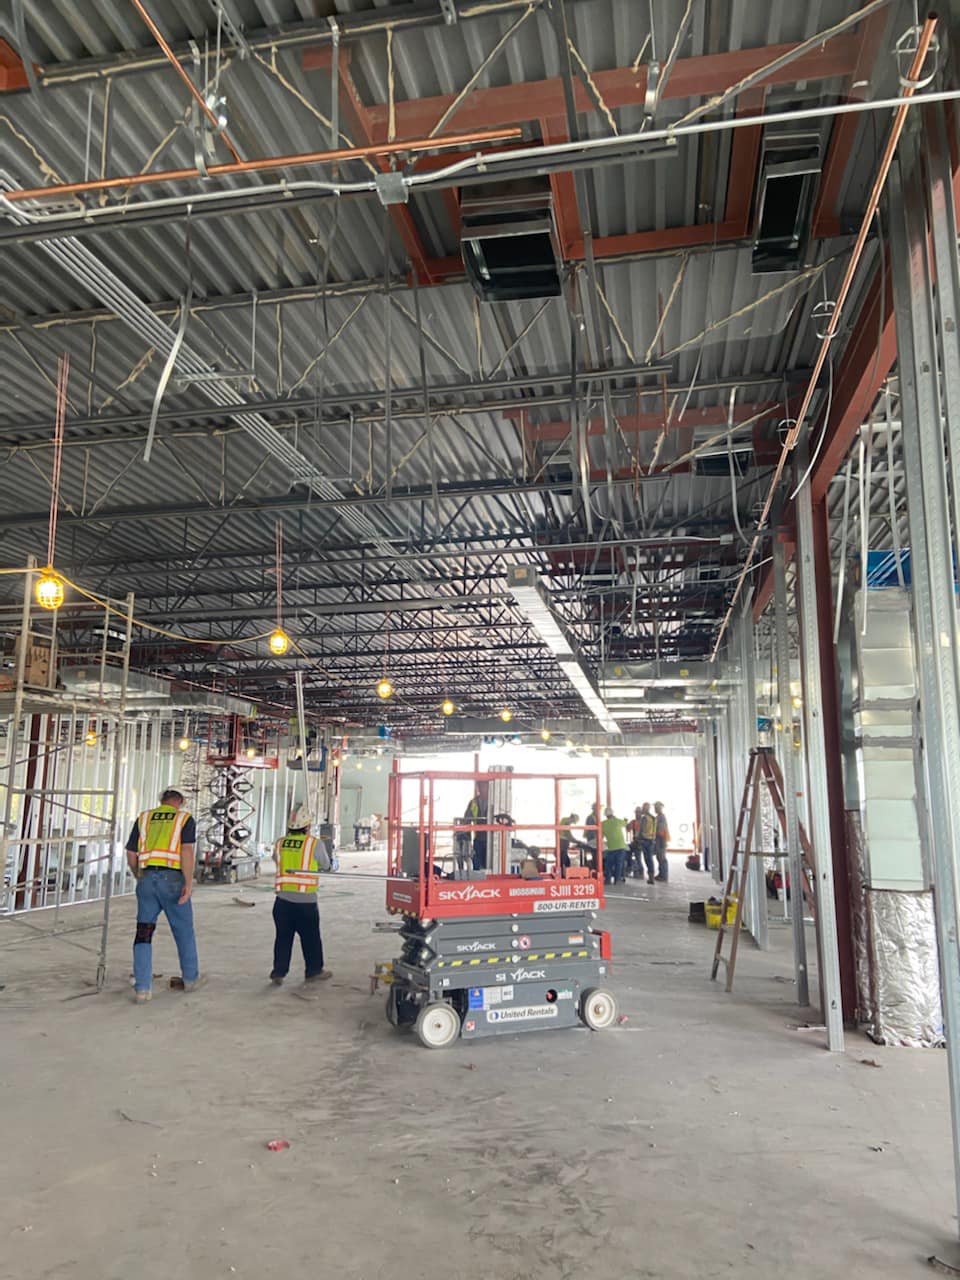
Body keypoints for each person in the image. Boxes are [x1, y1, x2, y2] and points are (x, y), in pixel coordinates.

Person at [125, 788, 203, 1004]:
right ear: (179, 801)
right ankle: (190, 979)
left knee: (143, 933)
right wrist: (188, 882)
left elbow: (131, 854)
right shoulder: (184, 819)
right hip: (173, 881)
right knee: (183, 930)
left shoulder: (144, 817)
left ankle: (142, 989)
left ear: (162, 801)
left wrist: (138, 875)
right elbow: (186, 852)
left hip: (147, 880)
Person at [271, 807, 332, 986]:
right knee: (311, 938)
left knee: (283, 938)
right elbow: (326, 865)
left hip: (282, 901)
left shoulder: (280, 843)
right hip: (305, 902)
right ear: (307, 826)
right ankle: (313, 971)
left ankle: (278, 972)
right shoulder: (314, 844)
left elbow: (276, 860)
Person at [601, 807, 629, 885]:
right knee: (619, 864)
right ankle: (617, 880)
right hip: (620, 846)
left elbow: (601, 837)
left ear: (605, 815)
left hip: (610, 847)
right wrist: (625, 820)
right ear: (613, 814)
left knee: (609, 864)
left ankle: (607, 880)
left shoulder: (603, 824)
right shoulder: (617, 821)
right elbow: (625, 823)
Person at [464, 792, 487, 870]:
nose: (483, 788)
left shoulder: (494, 800)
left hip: (492, 840)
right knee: (477, 867)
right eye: (480, 785)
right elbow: (467, 819)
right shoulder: (474, 802)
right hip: (478, 839)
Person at [638, 802, 657, 884]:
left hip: (645, 840)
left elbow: (641, 830)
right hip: (652, 840)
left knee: (647, 859)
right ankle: (651, 876)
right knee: (650, 859)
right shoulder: (653, 818)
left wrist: (638, 839)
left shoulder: (644, 818)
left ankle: (651, 877)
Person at [654, 801, 671, 882]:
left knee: (662, 858)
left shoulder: (661, 817)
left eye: (656, 808)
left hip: (661, 839)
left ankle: (663, 876)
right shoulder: (658, 817)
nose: (655, 809)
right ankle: (661, 874)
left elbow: (660, 830)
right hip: (659, 839)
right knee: (659, 857)